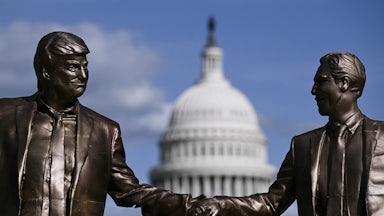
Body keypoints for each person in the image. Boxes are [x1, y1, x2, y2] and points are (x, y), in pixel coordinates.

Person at [0, 31, 198, 216]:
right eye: (72, 67)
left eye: (85, 67)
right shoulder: (6, 115)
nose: (83, 76)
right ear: (46, 72)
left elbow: (129, 192)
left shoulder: (105, 131)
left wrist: (197, 206)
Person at [187, 52, 384, 216]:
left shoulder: (381, 137)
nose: (313, 90)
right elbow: (271, 203)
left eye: (321, 82)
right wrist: (220, 205)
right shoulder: (303, 146)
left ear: (344, 83)